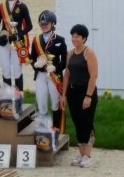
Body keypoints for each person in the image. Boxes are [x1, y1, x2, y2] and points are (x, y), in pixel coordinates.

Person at [60, 24, 98, 168]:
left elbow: (94, 76)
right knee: (77, 123)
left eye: (77, 36)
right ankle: (81, 153)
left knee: (86, 123)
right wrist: (63, 95)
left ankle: (87, 155)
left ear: (84, 38)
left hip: (86, 92)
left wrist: (88, 96)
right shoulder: (70, 54)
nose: (74, 39)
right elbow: (67, 75)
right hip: (72, 92)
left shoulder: (89, 53)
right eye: (73, 36)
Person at [31, 10, 67, 132]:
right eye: (42, 24)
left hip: (54, 76)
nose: (43, 26)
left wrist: (56, 67)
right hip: (41, 75)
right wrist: (35, 65)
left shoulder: (60, 40)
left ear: (53, 24)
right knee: (41, 102)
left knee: (55, 104)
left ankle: (57, 130)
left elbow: (65, 61)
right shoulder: (36, 40)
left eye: (46, 24)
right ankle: (44, 130)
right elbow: (32, 58)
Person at [0, 0, 33, 92]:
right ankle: (7, 96)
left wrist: (19, 35)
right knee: (6, 70)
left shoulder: (22, 6)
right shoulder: (1, 7)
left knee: (17, 70)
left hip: (17, 42)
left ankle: (18, 97)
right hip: (4, 42)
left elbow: (29, 26)